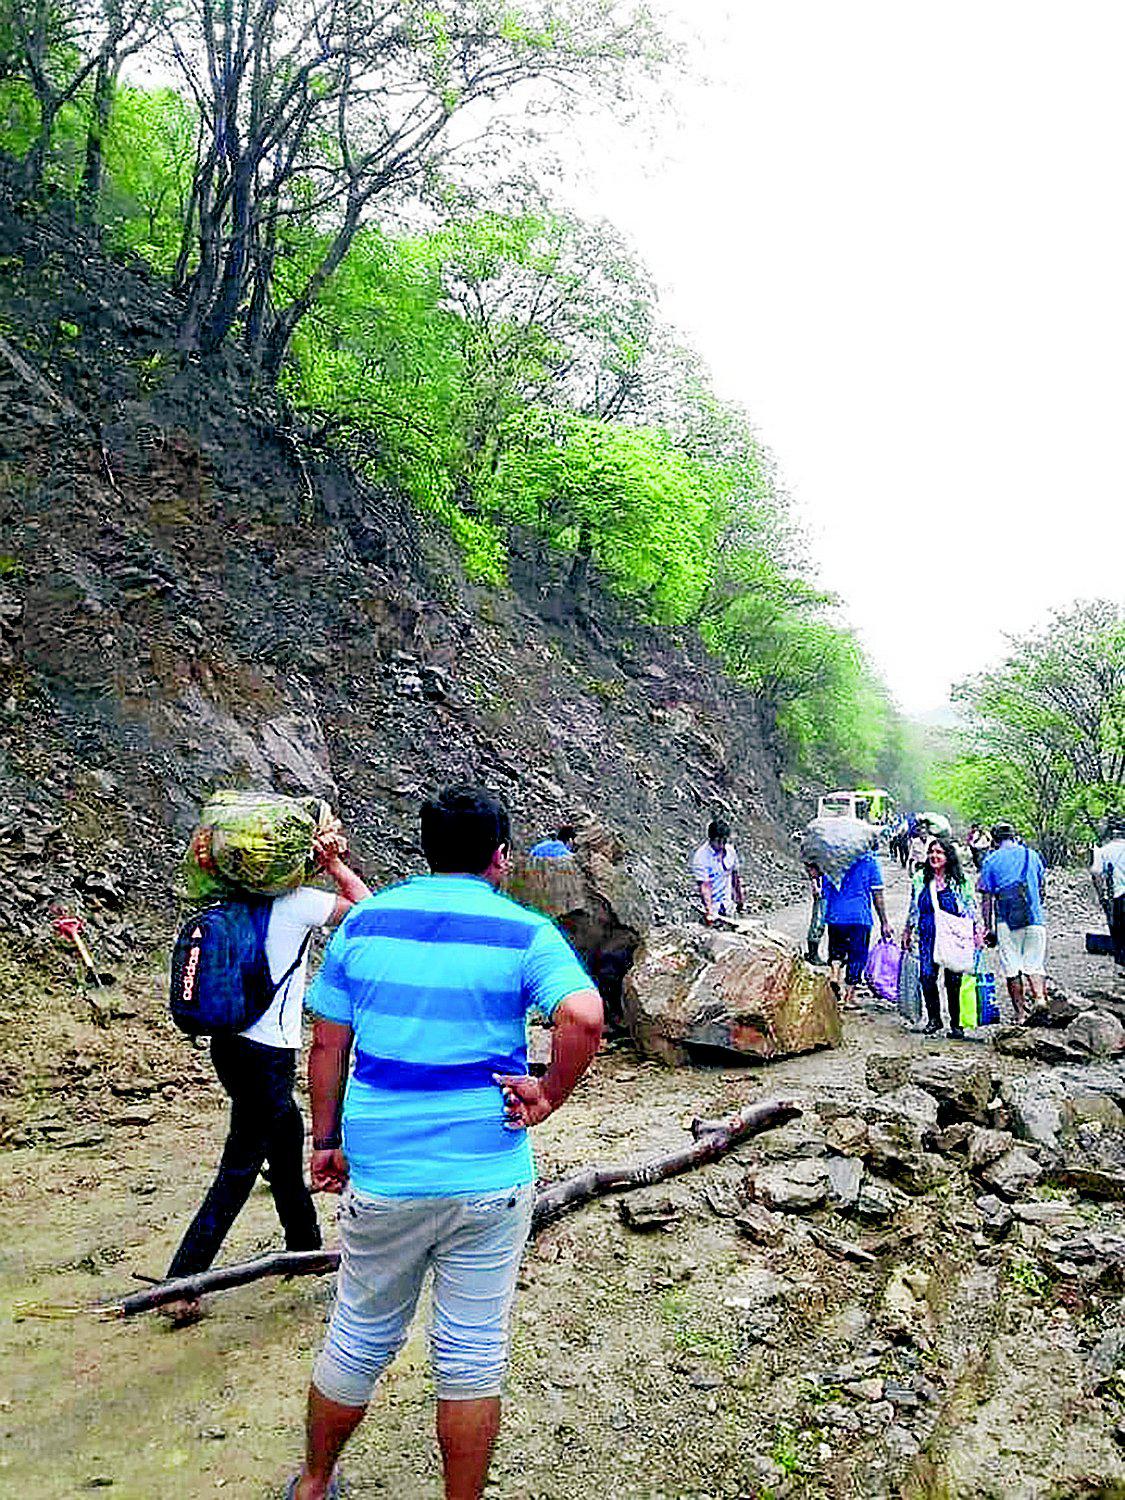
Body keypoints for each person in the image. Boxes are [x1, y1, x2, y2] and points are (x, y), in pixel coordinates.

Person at [291, 785, 603, 1500]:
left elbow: (328, 1045)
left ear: (425, 849)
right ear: (500, 856)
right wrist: (547, 1093)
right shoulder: (523, 929)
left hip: (384, 1169)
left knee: (359, 1334)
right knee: (470, 1356)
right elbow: (582, 1018)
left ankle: (313, 1484)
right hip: (488, 1173)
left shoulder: (365, 922)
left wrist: (326, 1140)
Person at [165, 827, 369, 1322]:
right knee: (239, 1167)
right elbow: (370, 912)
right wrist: (335, 866)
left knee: (284, 1136)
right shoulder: (297, 902)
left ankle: (305, 1248)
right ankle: (180, 1282)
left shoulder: (227, 902)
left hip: (229, 1047)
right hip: (268, 1054)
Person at [902, 836, 982, 1038]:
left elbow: (971, 909)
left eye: (939, 852)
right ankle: (934, 1019)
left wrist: (976, 934)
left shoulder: (960, 882)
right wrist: (908, 930)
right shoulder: (920, 878)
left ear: (948, 857)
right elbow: (914, 907)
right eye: (931, 852)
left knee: (953, 981)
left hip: (953, 937)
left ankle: (956, 1024)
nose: (934, 856)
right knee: (927, 977)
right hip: (927, 935)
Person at [977, 822, 1048, 1024]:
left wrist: (988, 927)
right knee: (1035, 964)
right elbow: (1042, 886)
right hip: (1034, 918)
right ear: (1014, 836)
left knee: (1012, 968)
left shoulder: (991, 860)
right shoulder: (1031, 855)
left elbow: (986, 897)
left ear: (994, 840)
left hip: (1007, 921)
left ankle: (1020, 1014)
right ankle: (1040, 999)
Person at [822, 845, 893, 1007]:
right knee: (857, 955)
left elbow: (824, 891)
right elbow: (878, 896)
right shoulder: (870, 862)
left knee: (836, 950)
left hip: (835, 915)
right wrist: (884, 922)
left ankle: (834, 975)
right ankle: (849, 997)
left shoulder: (833, 861)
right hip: (859, 917)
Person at [691, 818, 744, 924]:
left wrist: (739, 899)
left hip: (728, 905)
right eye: (718, 841)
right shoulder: (701, 857)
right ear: (711, 839)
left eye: (724, 841)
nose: (721, 845)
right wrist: (709, 911)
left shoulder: (730, 852)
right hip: (712, 906)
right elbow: (705, 886)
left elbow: (735, 877)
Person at [1091, 816, 1125, 967]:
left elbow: (1096, 873)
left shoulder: (1103, 851)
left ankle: (1121, 965)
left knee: (1118, 932)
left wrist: (1101, 896)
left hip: (1117, 897)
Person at [804, 860, 827, 964]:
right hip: (823, 889)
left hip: (829, 887)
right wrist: (814, 882)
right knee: (819, 921)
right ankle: (812, 954)